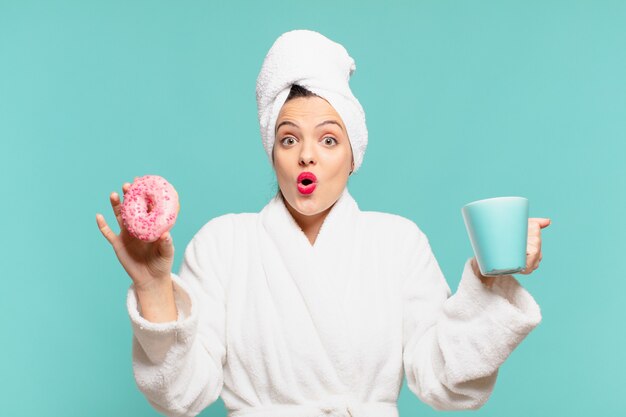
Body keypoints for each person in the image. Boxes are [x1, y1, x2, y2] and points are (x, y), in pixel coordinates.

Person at [96, 30, 551, 417]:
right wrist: (155, 289)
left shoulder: (396, 242)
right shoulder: (223, 244)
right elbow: (181, 394)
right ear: (272, 153)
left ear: (353, 156)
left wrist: (493, 280)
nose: (307, 155)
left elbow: (446, 382)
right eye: (288, 138)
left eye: (329, 139)